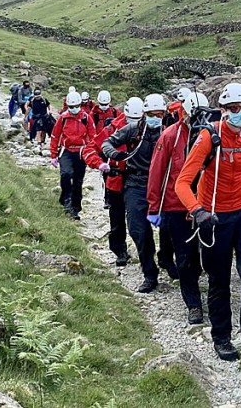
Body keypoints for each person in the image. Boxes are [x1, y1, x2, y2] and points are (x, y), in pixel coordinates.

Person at [175, 82, 241, 363]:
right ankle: (222, 337)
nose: (239, 114)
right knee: (219, 277)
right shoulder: (208, 137)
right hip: (214, 214)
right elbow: (182, 182)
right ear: (223, 110)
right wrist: (197, 210)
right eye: (233, 109)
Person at [147, 90, 210, 324]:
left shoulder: (212, 136)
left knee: (206, 256)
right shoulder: (170, 137)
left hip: (206, 206)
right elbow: (157, 172)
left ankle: (204, 288)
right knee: (184, 257)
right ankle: (193, 304)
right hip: (176, 205)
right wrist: (154, 206)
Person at [101, 93, 167, 293]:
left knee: (171, 228)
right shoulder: (132, 130)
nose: (155, 117)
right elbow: (106, 143)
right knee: (138, 229)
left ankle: (168, 261)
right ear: (144, 114)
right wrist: (116, 155)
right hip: (136, 184)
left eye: (159, 113)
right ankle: (149, 273)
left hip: (163, 185)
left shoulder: (169, 133)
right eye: (151, 113)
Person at [87, 99, 134, 267]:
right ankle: (120, 251)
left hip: (140, 181)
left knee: (139, 223)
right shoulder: (112, 128)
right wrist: (99, 163)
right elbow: (90, 148)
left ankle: (147, 255)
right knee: (117, 219)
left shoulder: (149, 129)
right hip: (116, 179)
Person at [50, 90, 93, 220]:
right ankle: (66, 200)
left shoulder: (86, 118)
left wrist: (92, 154)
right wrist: (53, 154)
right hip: (66, 150)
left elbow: (92, 137)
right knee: (66, 174)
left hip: (81, 152)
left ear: (80, 104)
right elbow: (55, 135)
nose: (74, 109)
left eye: (76, 106)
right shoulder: (63, 118)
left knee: (78, 181)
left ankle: (75, 208)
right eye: (71, 107)